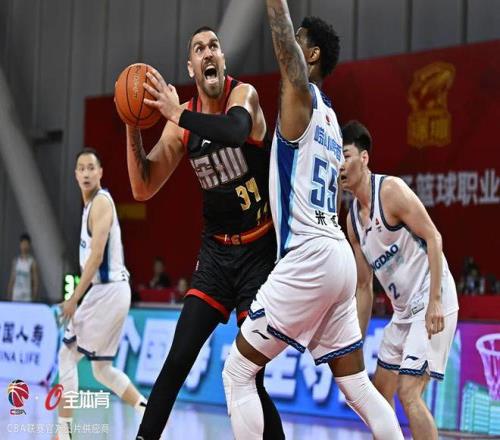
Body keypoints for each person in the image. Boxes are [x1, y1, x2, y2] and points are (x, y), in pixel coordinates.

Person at [221, 3, 403, 439]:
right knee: (356, 386)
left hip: (309, 254)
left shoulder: (301, 98)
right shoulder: (331, 119)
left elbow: (285, 48)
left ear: (313, 54)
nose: (291, 47)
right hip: (337, 254)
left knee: (238, 371)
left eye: (301, 40)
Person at [124, 27, 283, 440]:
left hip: (259, 253)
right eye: (199, 49)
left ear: (222, 61)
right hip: (215, 255)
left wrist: (176, 114)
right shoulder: (181, 125)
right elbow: (142, 187)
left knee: (250, 376)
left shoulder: (243, 95)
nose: (208, 52)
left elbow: (234, 130)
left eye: (214, 46)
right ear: (191, 67)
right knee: (177, 360)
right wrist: (131, 124)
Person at [340, 120, 459, 440]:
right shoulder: (352, 222)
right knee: (380, 396)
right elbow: (363, 288)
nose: (340, 165)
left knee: (409, 392)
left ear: (364, 158)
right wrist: (356, 342)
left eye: (346, 156)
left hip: (433, 297)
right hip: (404, 313)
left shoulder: (390, 191)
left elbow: (434, 237)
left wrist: (435, 301)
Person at [57, 148, 147, 440]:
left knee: (66, 355)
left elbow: (96, 258)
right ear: (75, 174)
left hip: (107, 291)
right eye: (81, 168)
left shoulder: (100, 203)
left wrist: (74, 299)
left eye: (91, 168)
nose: (86, 173)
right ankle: (147, 411)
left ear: (100, 173)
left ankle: (63, 433)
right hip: (112, 292)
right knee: (101, 369)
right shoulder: (89, 207)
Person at [7, 233, 39, 301]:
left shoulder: (32, 262)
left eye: (26, 244)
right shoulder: (16, 261)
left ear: (29, 245)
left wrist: (34, 297)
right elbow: (12, 279)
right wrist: (9, 294)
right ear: (20, 245)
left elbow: (35, 282)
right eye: (23, 244)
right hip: (16, 295)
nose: (24, 246)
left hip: (26, 296)